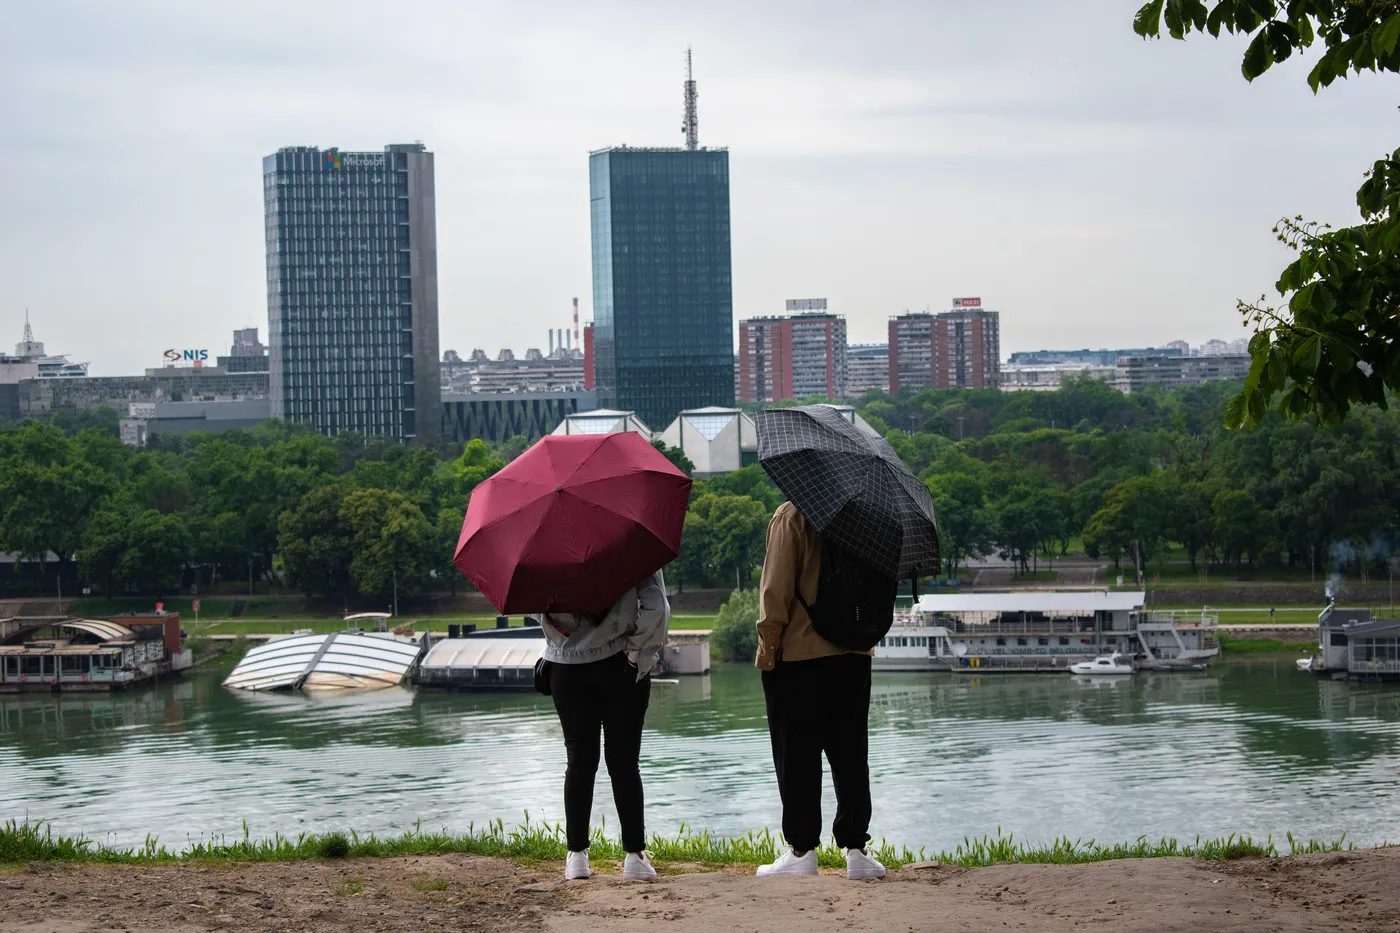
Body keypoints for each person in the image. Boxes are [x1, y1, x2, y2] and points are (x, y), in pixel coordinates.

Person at [752, 501, 886, 880]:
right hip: (855, 653)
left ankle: (801, 851)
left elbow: (775, 591)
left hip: (798, 654)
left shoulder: (792, 516)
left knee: (796, 756)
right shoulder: (869, 516)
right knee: (851, 753)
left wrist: (768, 649)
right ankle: (857, 850)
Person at [534, 568, 669, 883]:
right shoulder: (631, 540)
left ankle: (576, 857)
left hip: (565, 668)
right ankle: (635, 857)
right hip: (619, 662)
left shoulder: (543, 548)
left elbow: (532, 607)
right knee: (624, 763)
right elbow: (657, 608)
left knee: (579, 762)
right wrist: (636, 655)